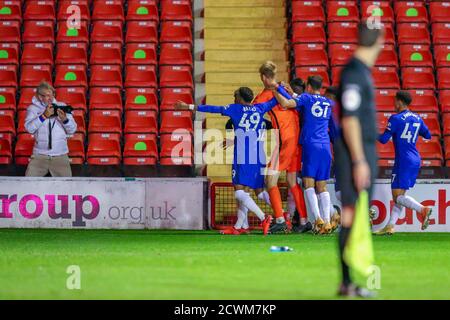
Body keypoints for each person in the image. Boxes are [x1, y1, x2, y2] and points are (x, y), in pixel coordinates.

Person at [175, 87, 275, 235]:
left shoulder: (236, 109)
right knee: (247, 191)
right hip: (258, 155)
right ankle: (241, 226)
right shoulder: (260, 108)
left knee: (240, 192)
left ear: (241, 99)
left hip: (243, 156)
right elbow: (274, 101)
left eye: (235, 96)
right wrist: (280, 88)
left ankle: (264, 217)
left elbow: (213, 108)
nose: (234, 99)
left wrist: (188, 107)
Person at [334, 22, 384, 297]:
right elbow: (350, 119)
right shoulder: (354, 72)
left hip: (361, 152)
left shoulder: (360, 72)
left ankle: (348, 282)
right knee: (351, 217)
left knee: (356, 218)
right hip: (356, 153)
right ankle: (348, 281)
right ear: (380, 41)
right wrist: (358, 161)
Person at [272, 76, 336, 234]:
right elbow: (295, 97)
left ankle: (318, 220)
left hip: (311, 146)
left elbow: (287, 103)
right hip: (326, 147)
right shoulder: (329, 103)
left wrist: (276, 89)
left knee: (308, 184)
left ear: (308, 86)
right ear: (321, 87)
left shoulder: (306, 99)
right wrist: (288, 91)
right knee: (322, 186)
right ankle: (327, 222)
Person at [255, 62, 308, 234]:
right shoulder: (285, 88)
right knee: (292, 182)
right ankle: (304, 220)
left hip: (285, 140)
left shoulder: (265, 95)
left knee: (270, 180)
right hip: (297, 140)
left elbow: (251, 113)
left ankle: (279, 220)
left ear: (263, 77)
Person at [373, 91, 433, 235]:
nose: (394, 104)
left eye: (395, 101)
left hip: (403, 160)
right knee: (401, 195)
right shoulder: (417, 118)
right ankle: (390, 226)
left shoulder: (396, 118)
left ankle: (422, 209)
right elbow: (428, 135)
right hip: (415, 159)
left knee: (397, 197)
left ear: (399, 101)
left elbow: (383, 139)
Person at [24, 81, 77, 177]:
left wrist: (65, 120)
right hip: (40, 155)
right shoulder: (33, 109)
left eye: (52, 94)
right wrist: (43, 116)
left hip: (60, 155)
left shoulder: (62, 106)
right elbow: (29, 129)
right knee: (28, 183)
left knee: (67, 186)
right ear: (40, 97)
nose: (51, 98)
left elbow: (72, 129)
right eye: (47, 95)